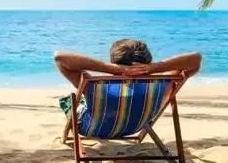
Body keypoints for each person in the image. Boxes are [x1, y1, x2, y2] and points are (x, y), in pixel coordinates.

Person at [54, 39, 200, 134]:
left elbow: (60, 58)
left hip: (92, 129)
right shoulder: (163, 84)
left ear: (114, 62)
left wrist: (110, 69)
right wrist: (154, 68)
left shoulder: (95, 86)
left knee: (69, 101)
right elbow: (195, 59)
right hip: (136, 128)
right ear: (148, 60)